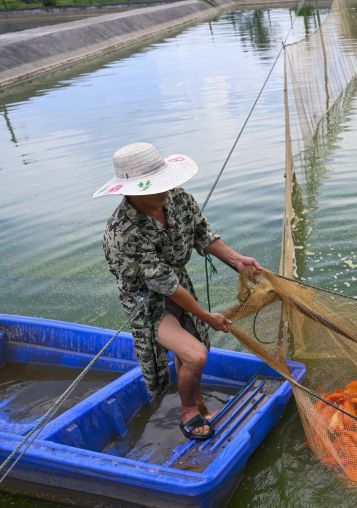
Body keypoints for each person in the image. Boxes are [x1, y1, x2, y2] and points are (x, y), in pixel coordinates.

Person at [93, 142, 262, 440]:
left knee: (192, 351)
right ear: (128, 191)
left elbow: (201, 232)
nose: (165, 192)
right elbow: (166, 285)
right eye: (155, 188)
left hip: (179, 286)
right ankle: (188, 411)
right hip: (147, 303)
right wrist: (206, 315)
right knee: (195, 355)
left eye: (166, 184)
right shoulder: (123, 233)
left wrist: (237, 260)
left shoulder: (177, 197)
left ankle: (198, 401)